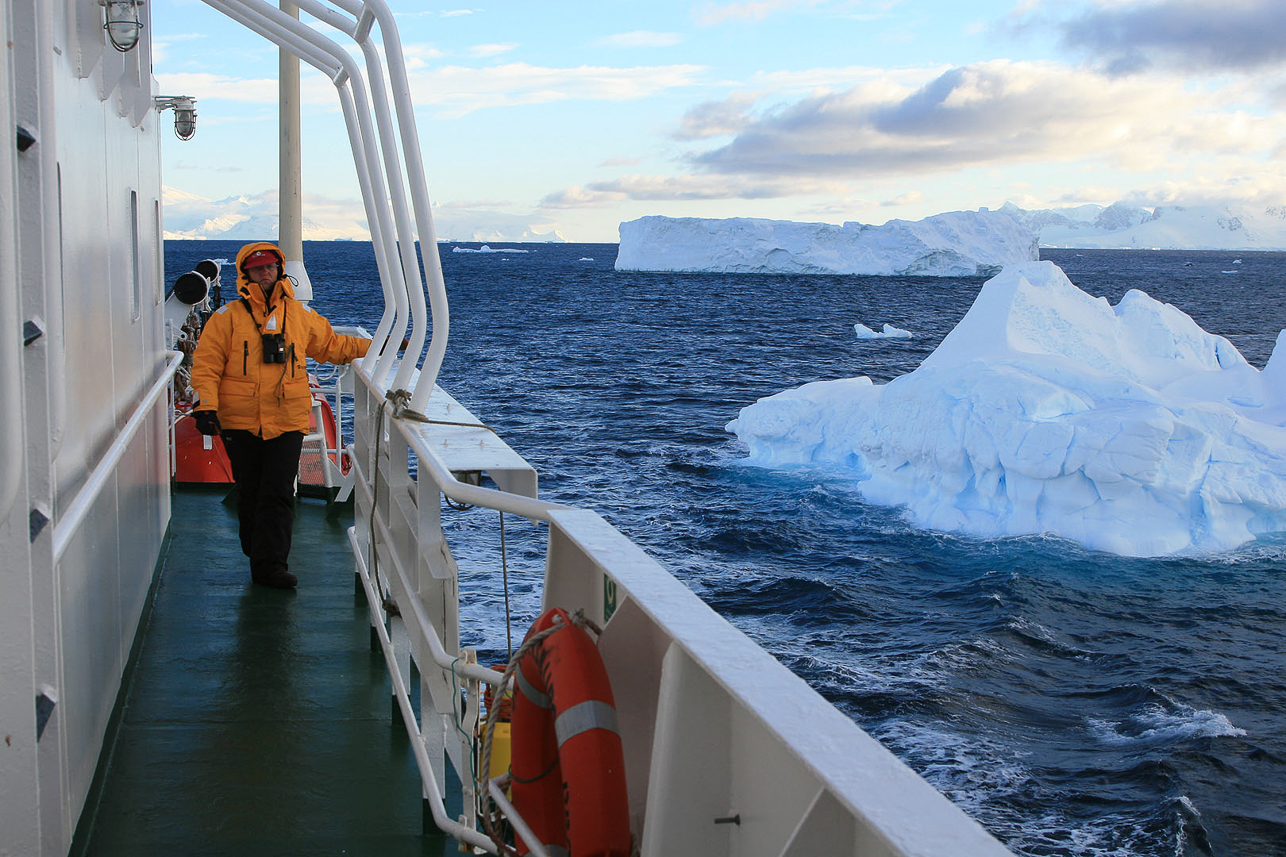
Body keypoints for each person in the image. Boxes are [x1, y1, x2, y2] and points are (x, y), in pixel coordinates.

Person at [190, 242, 371, 589]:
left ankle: (271, 566)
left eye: (271, 267)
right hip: (240, 421)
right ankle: (257, 552)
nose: (265, 273)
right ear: (246, 274)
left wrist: (384, 344)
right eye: (258, 268)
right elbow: (207, 366)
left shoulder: (299, 317)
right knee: (251, 492)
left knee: (277, 493)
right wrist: (206, 407)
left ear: (280, 270)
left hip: (287, 420)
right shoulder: (226, 318)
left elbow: (333, 346)